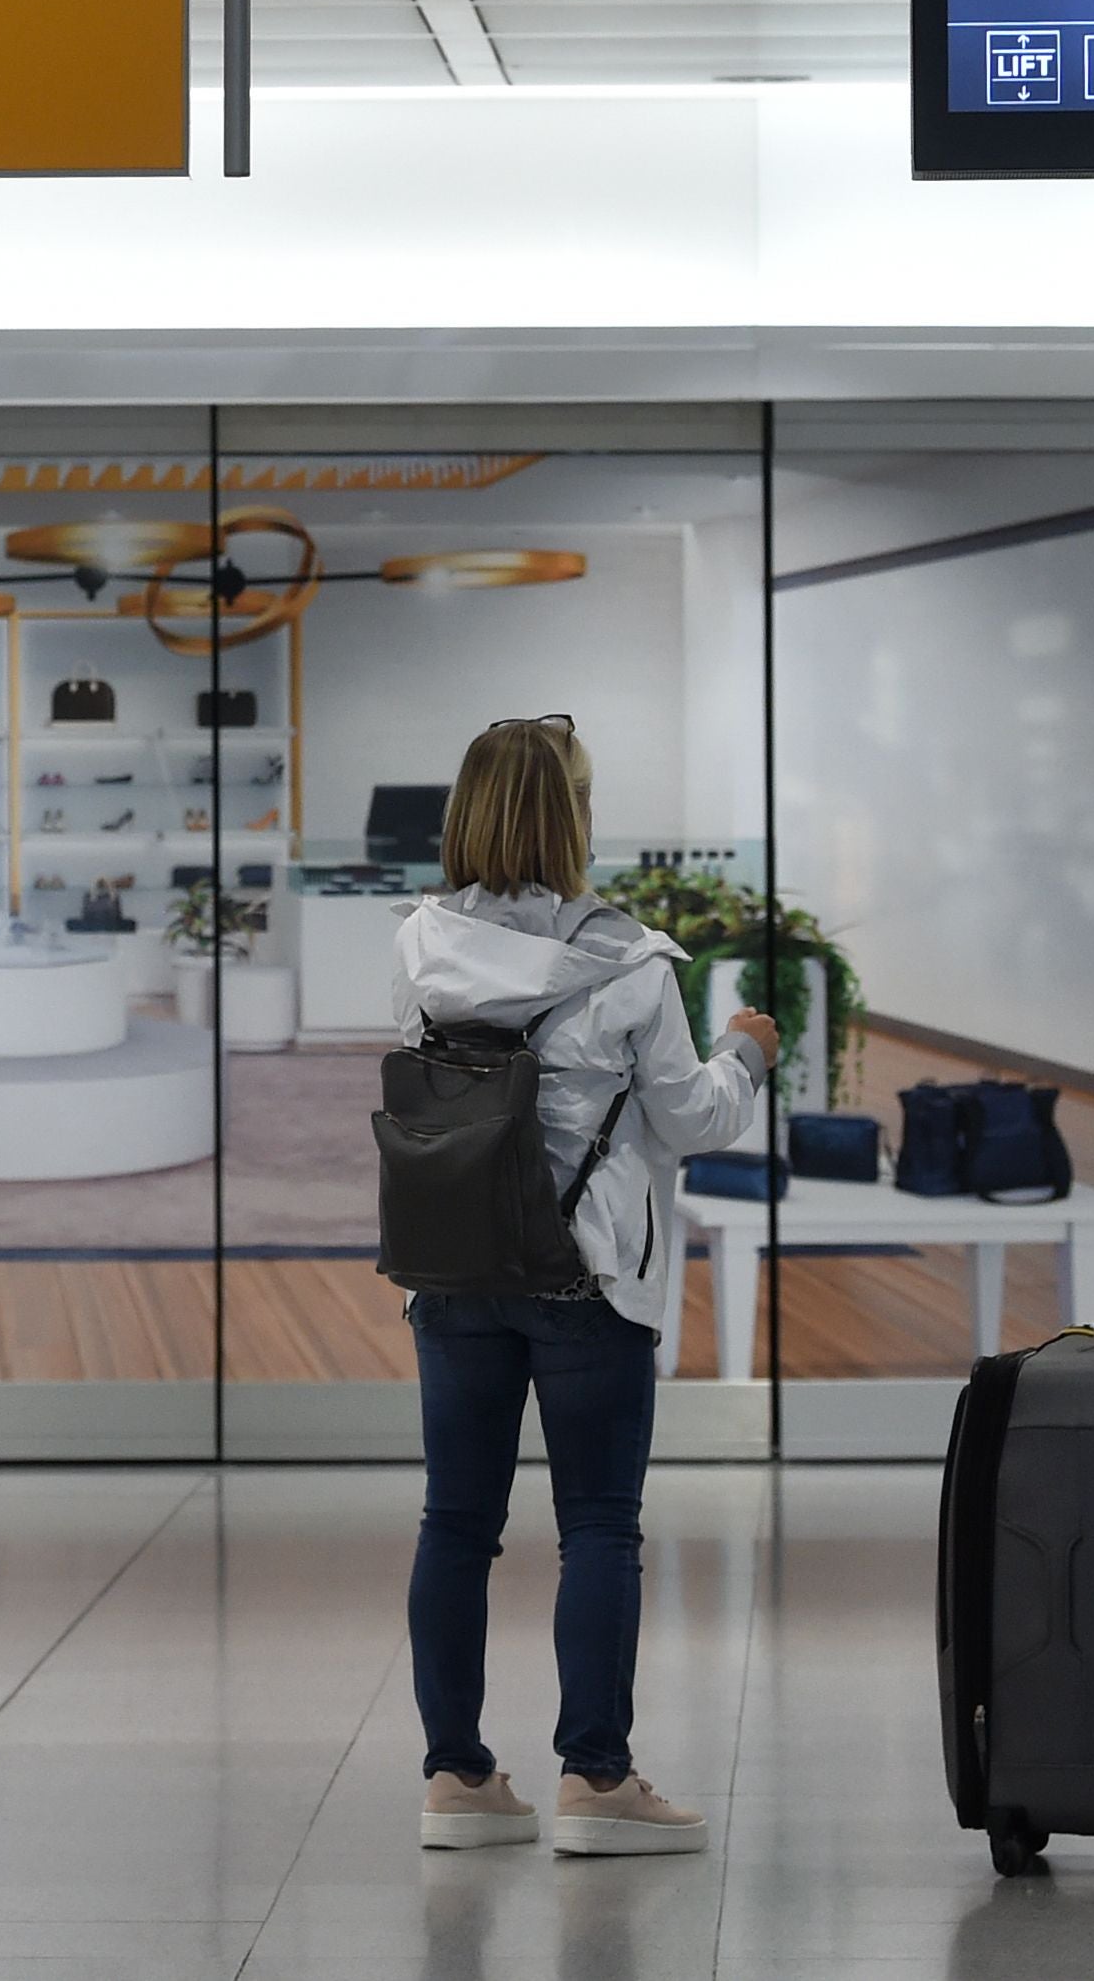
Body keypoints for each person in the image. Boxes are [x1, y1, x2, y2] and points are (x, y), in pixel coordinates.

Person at [393, 714, 779, 1858]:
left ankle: (456, 1776)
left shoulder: (418, 943)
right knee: (598, 1524)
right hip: (593, 1277)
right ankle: (595, 1779)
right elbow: (691, 1117)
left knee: (454, 1523)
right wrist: (747, 1047)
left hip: (453, 1265)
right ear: (573, 815)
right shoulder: (631, 961)